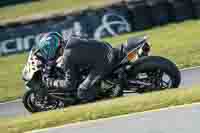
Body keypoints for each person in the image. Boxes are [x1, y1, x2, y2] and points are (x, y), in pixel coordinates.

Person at [36, 32, 120, 103]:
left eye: (46, 50)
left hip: (104, 62)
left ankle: (110, 95)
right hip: (106, 48)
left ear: (51, 48)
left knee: (82, 91)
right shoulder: (71, 40)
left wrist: (52, 82)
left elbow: (70, 84)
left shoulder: (67, 57)